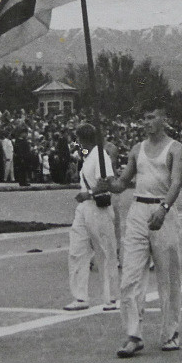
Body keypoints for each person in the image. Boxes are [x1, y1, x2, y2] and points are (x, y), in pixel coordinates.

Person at [107, 104, 182, 358]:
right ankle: (133, 335)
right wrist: (108, 182)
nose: (146, 122)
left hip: (163, 211)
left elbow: (176, 183)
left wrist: (163, 209)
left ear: (164, 119)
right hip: (138, 211)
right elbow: (122, 183)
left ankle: (171, 333)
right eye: (144, 118)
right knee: (130, 276)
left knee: (168, 276)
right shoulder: (136, 149)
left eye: (151, 117)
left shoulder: (175, 148)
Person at [63, 123, 120, 312]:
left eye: (79, 140)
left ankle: (111, 297)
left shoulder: (101, 156)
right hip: (84, 207)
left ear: (83, 139)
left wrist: (88, 193)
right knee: (77, 249)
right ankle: (80, 297)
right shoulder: (89, 156)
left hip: (97, 206)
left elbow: (106, 183)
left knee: (105, 251)